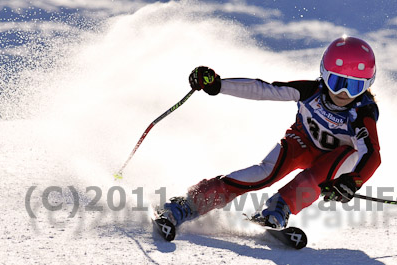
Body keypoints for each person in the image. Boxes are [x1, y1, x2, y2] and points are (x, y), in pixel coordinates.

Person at [160, 36, 381, 230]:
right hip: (301, 144)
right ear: (323, 74)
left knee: (317, 175)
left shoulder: (362, 114)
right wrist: (219, 85)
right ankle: (189, 204)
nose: (342, 93)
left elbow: (371, 154)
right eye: (336, 82)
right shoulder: (310, 91)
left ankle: (280, 207)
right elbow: (264, 89)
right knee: (264, 173)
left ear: (367, 85)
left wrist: (352, 181)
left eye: (354, 86)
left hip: (334, 159)